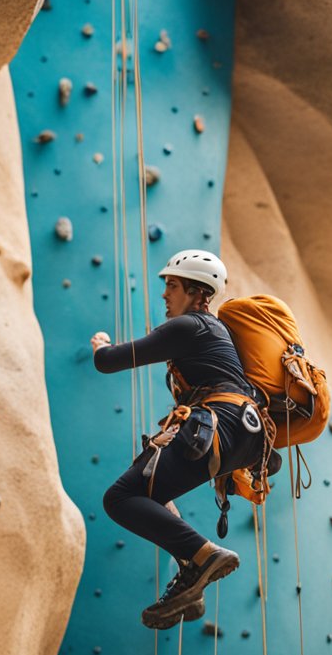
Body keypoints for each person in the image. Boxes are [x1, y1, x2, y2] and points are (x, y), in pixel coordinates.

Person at [91, 250, 266, 629]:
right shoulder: (212, 331)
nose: (165, 294)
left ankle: (203, 556)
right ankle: (192, 582)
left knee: (120, 499)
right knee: (151, 490)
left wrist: (100, 345)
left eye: (172, 285)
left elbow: (109, 361)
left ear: (196, 291)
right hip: (243, 432)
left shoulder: (189, 327)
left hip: (221, 422)